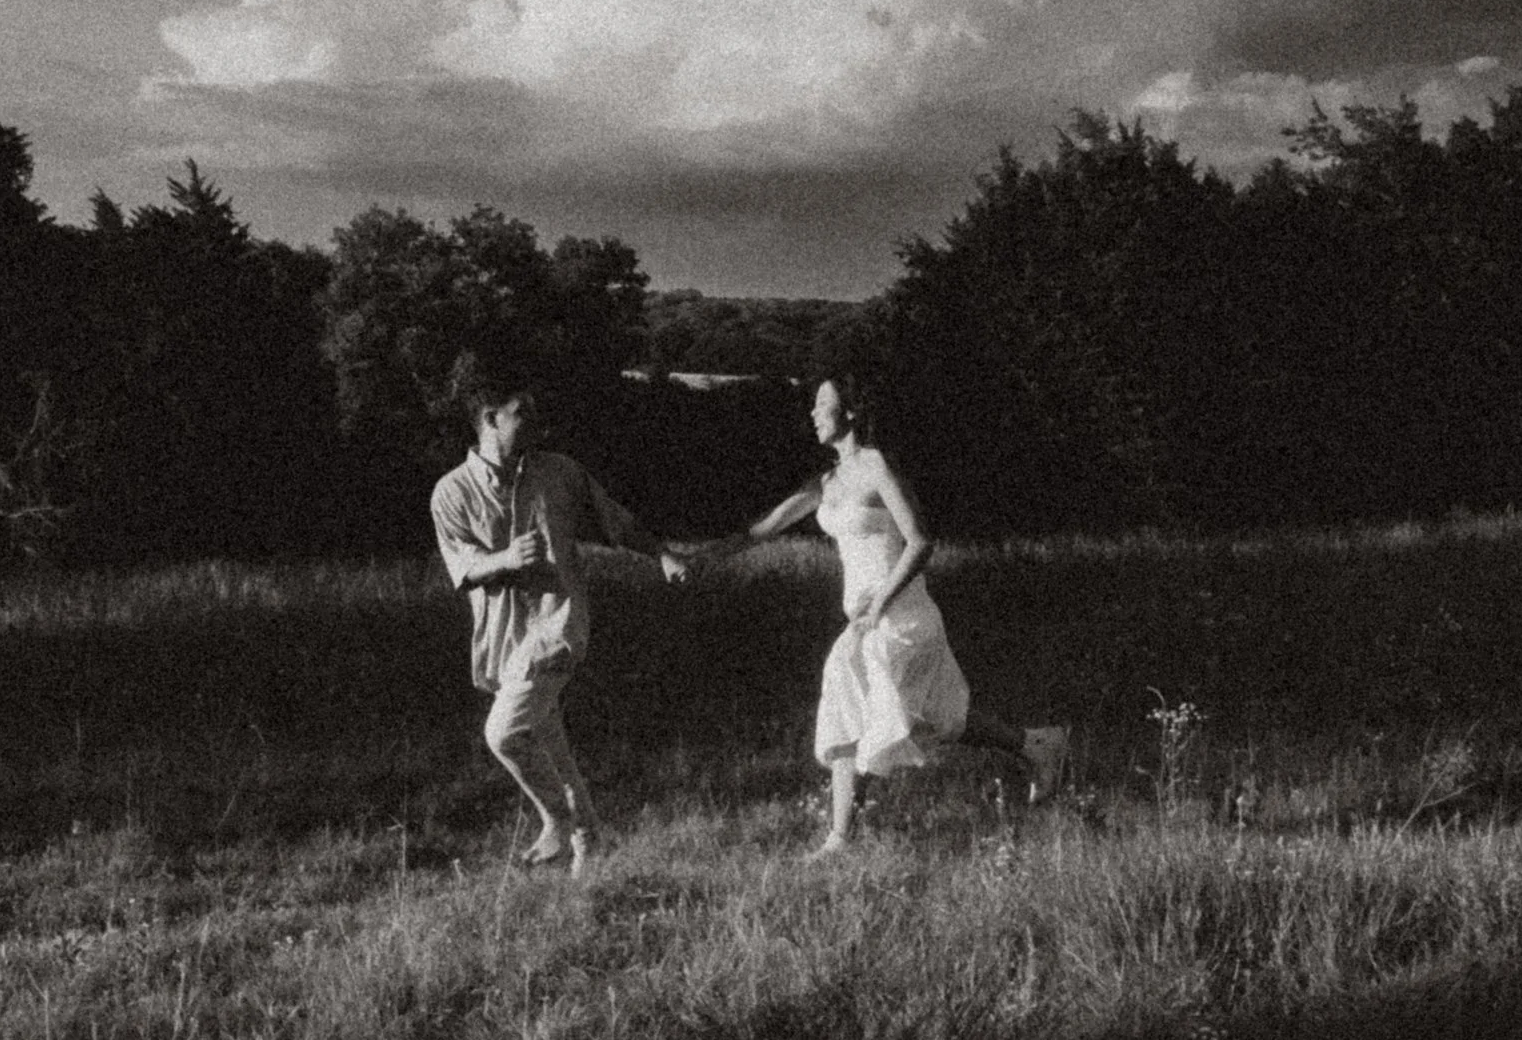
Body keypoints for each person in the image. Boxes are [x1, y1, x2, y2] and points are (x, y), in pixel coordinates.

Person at [722, 377, 1059, 850]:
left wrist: (880, 602)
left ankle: (840, 837)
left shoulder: (876, 464)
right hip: (863, 621)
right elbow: (763, 530)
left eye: (823, 404)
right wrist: (694, 558)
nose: (813, 414)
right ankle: (1035, 745)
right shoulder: (827, 481)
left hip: (900, 614)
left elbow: (920, 541)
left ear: (852, 412)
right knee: (925, 715)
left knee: (896, 713)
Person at [428, 360, 688, 872]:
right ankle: (590, 847)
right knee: (551, 745)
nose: (535, 419)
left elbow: (616, 519)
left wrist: (661, 554)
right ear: (489, 418)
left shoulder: (561, 472)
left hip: (560, 625)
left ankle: (555, 822)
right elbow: (460, 566)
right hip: (503, 637)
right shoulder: (451, 492)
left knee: (502, 735)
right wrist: (504, 560)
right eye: (521, 411)